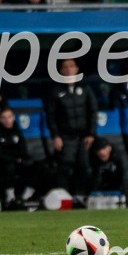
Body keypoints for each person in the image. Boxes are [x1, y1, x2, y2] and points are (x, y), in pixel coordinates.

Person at [45, 58, 97, 196]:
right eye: (65, 67)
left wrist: (91, 133)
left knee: (84, 166)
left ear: (77, 69)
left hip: (83, 136)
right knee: (65, 167)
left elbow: (93, 112)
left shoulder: (85, 89)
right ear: (61, 71)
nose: (69, 69)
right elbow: (50, 116)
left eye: (71, 66)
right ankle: (64, 197)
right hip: (65, 136)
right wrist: (55, 136)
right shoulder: (55, 91)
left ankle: (79, 196)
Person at [0, 107, 37, 209]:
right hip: (2, 164)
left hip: (18, 162)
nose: (7, 120)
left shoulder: (17, 131)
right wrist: (15, 160)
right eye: (4, 118)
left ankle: (25, 197)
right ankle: (10, 197)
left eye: (9, 117)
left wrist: (23, 159)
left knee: (38, 166)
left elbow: (23, 150)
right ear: (0, 119)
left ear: (13, 118)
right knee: (9, 167)